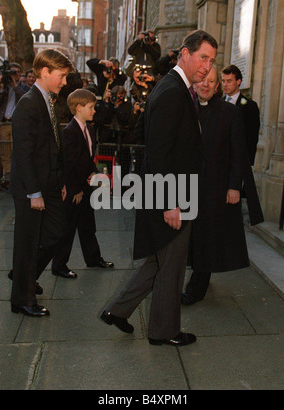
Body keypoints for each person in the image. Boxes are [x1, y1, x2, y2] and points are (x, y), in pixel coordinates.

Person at [100, 30, 218, 346]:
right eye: (203, 57)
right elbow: (159, 151)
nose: (207, 67)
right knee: (172, 267)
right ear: (185, 53)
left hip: (173, 191)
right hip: (170, 194)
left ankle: (117, 310)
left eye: (212, 61)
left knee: (160, 261)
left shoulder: (178, 88)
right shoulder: (171, 92)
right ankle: (163, 331)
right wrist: (171, 203)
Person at [181, 66, 264, 305]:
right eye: (202, 80)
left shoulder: (230, 112)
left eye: (212, 81)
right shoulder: (186, 109)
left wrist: (234, 187)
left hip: (215, 188)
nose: (206, 84)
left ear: (217, 86)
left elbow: (239, 153)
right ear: (194, 83)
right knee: (188, 238)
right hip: (187, 186)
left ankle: (196, 288)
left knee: (207, 237)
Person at [9, 49, 75, 317]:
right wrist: (34, 193)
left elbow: (52, 148)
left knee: (56, 232)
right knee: (27, 242)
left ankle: (24, 274)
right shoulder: (28, 104)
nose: (64, 82)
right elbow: (23, 154)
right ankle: (22, 300)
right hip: (30, 189)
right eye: (61, 76)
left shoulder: (47, 99)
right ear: (45, 72)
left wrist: (58, 181)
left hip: (49, 185)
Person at [51, 89, 114, 278]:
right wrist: (75, 190)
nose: (94, 111)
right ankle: (59, 265)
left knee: (87, 225)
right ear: (79, 108)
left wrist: (92, 173)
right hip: (74, 188)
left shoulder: (90, 129)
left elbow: (87, 159)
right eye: (91, 107)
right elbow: (68, 163)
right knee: (68, 228)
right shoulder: (69, 132)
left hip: (85, 186)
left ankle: (93, 258)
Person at [0, 62, 29, 183]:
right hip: (3, 122)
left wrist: (15, 85)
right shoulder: (1, 87)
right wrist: (3, 87)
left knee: (17, 150)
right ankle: (8, 177)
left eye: (16, 73)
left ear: (19, 74)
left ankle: (17, 176)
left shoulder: (24, 87)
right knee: (4, 151)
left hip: (18, 124)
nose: (13, 75)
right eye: (11, 72)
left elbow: (26, 99)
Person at [221, 64, 260, 165]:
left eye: (229, 81)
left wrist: (246, 163)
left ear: (238, 82)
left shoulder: (250, 106)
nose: (225, 84)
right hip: (218, 161)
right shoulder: (217, 103)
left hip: (238, 162)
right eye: (223, 81)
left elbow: (252, 137)